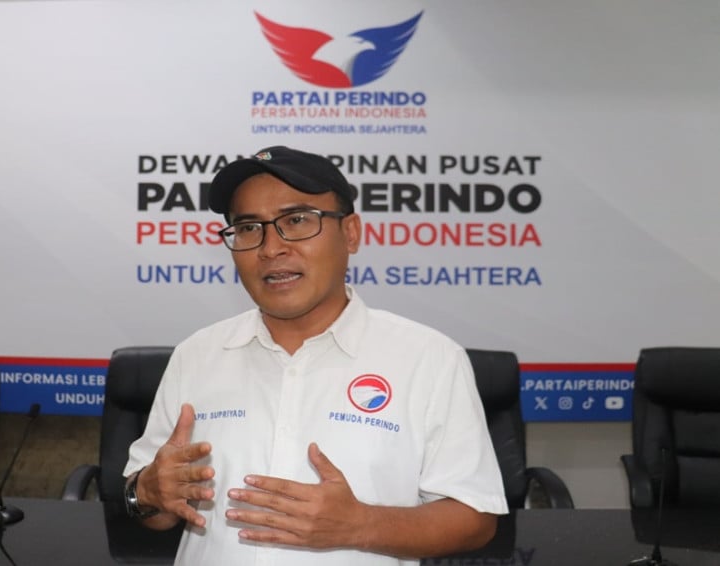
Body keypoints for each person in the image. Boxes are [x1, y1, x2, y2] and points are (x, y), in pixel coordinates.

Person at [123, 145, 508, 565]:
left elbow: (475, 518)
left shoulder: (430, 359)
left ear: (351, 233)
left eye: (297, 220)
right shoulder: (196, 355)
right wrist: (148, 493)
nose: (271, 248)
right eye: (249, 227)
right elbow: (152, 507)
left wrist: (362, 526)